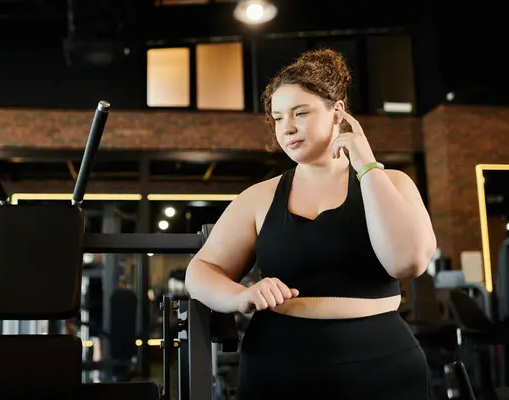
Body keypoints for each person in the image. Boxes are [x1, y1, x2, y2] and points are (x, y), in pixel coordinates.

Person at [184, 48, 437, 399]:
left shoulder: (391, 183)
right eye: (277, 118)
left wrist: (366, 167)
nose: (287, 128)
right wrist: (241, 295)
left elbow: (408, 261)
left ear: (338, 113)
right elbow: (200, 271)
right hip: (277, 363)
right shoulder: (258, 197)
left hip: (380, 362)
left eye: (300, 113)